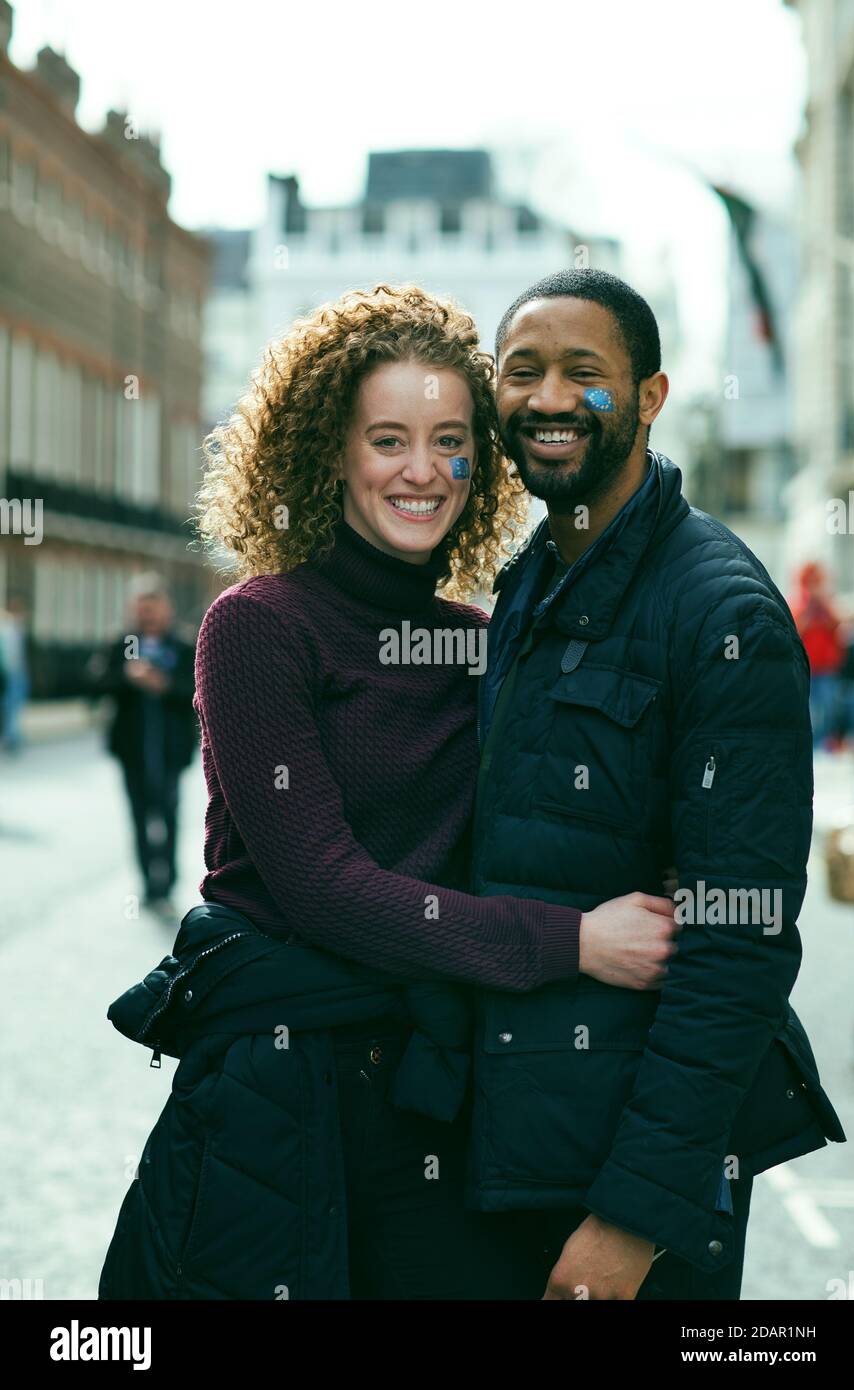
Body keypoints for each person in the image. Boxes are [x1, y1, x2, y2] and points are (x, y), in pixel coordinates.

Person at [97, 284, 678, 1301]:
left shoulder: (486, 637)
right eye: (388, 439)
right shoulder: (258, 628)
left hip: (440, 1088)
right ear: (328, 450)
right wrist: (575, 941)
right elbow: (323, 885)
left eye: (451, 440)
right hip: (284, 1099)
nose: (422, 471)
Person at [462, 267, 845, 1300]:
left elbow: (738, 943)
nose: (546, 398)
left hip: (624, 1199)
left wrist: (631, 1219)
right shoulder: (532, 580)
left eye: (581, 372)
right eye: (520, 371)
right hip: (512, 1154)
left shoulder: (719, 612)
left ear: (648, 397)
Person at [88, 576, 197, 909]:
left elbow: (198, 690)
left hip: (170, 749)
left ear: (167, 610)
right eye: (142, 610)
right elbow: (95, 686)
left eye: (153, 610)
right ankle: (149, 881)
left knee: (169, 814)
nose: (148, 617)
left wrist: (164, 685)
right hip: (132, 749)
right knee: (138, 816)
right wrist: (126, 676)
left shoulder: (182, 646)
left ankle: (169, 879)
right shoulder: (123, 643)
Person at [790, 561, 844, 750]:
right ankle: (811, 743)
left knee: (829, 707)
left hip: (826, 668)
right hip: (808, 667)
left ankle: (824, 741)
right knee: (810, 709)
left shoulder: (825, 605)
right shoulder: (799, 604)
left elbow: (837, 627)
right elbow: (797, 630)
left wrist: (823, 608)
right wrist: (809, 611)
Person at [0, 596, 30, 754]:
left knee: (13, 707)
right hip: (13, 674)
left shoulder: (15, 628)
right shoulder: (8, 629)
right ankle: (11, 738)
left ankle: (12, 737)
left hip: (15, 674)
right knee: (11, 707)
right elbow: (11, 656)